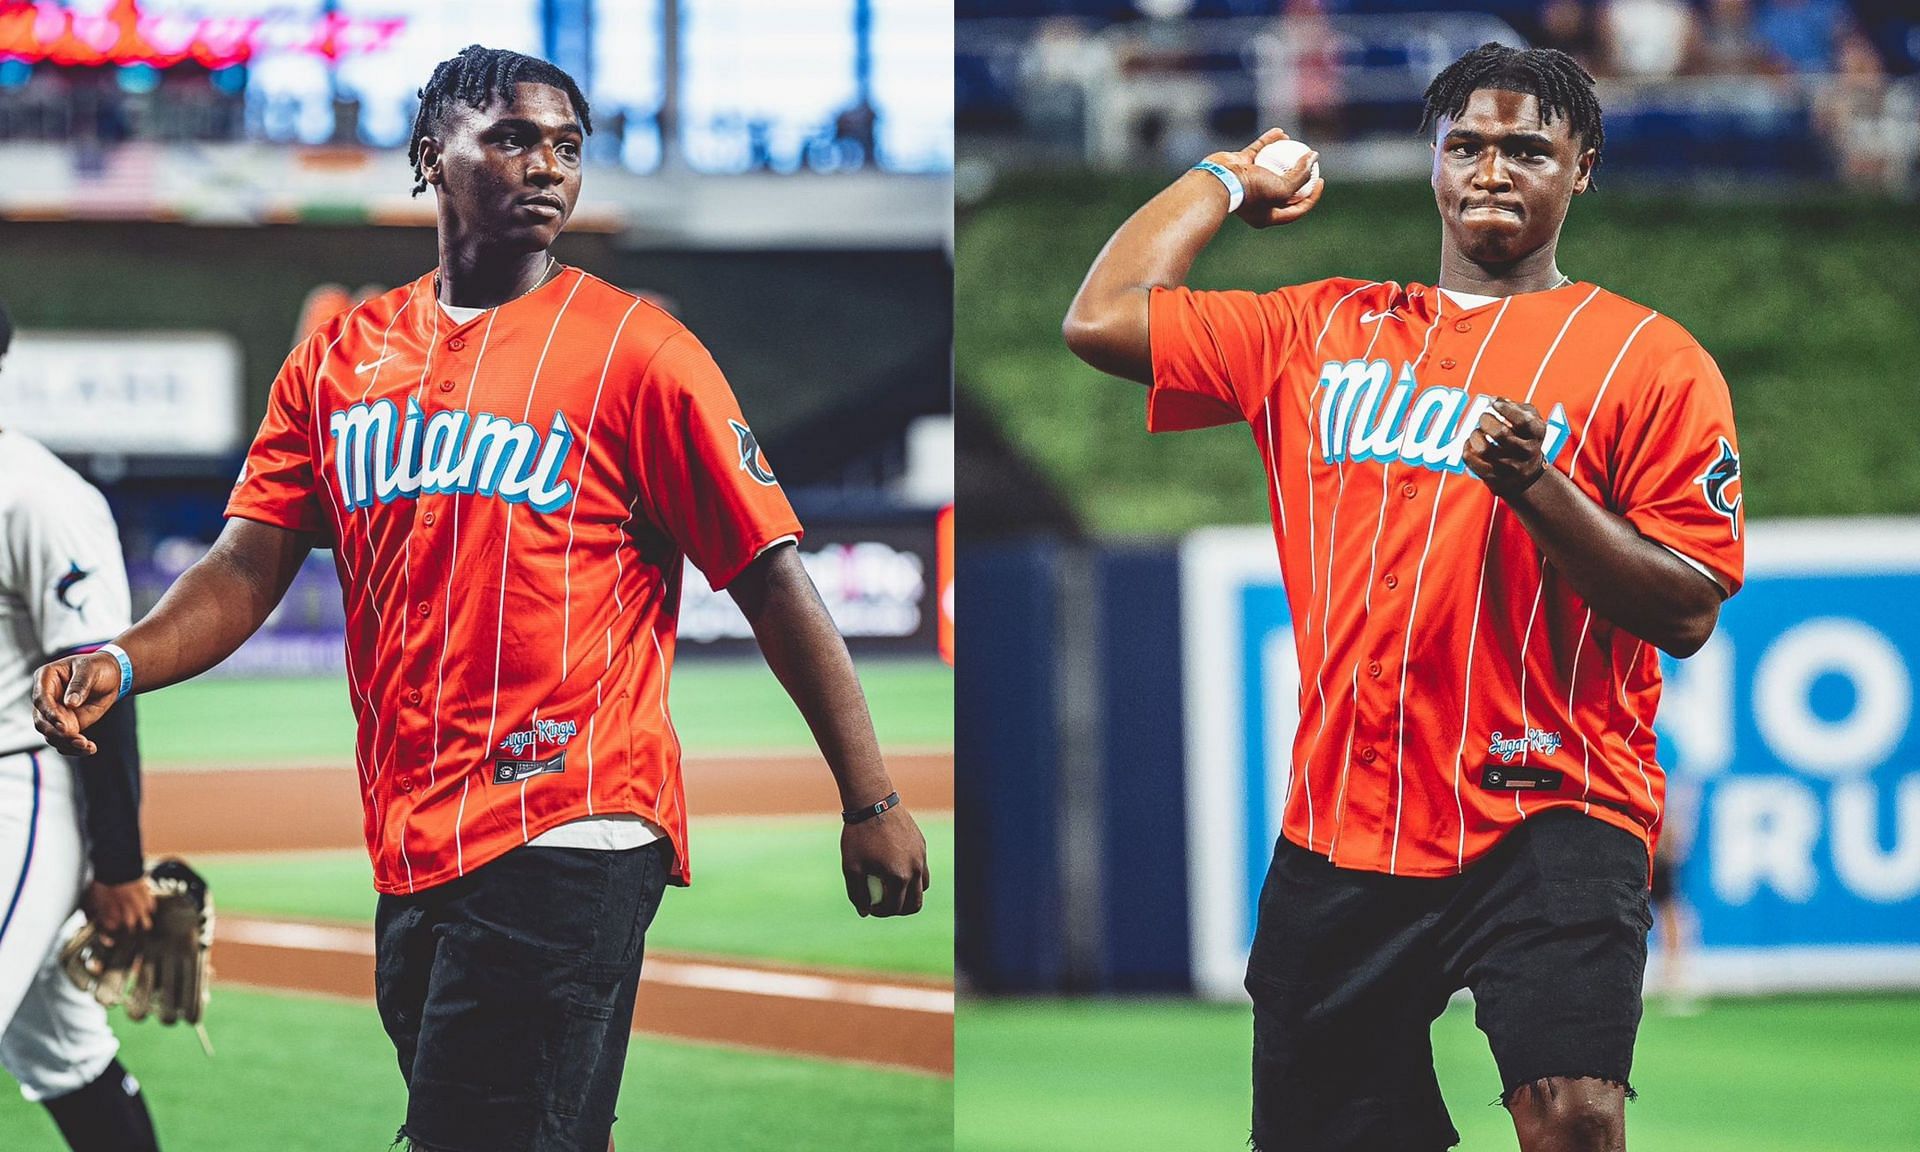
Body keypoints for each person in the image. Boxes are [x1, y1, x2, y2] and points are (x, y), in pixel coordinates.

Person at [31, 46, 930, 1152]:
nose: (546, 165)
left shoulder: (642, 354)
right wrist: (123, 661)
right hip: (414, 839)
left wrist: (871, 797)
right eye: (510, 138)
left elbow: (771, 576)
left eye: (566, 145)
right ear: (430, 158)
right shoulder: (338, 360)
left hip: (576, 818)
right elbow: (244, 566)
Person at [1063, 42, 1743, 1152]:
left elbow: (1687, 606)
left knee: (1573, 1115)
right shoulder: (1316, 329)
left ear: (1583, 169)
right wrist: (1227, 177)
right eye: (1465, 143)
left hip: (1552, 800)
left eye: (1528, 146)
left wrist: (1541, 489)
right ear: (1431, 161)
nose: (1491, 168)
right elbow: (1101, 319)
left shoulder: (1651, 361)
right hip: (1345, 815)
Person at [0, 299, 162, 1150]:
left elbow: (98, 686)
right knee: (61, 1052)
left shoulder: (37, 493)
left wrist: (119, 864)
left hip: (17, 787)